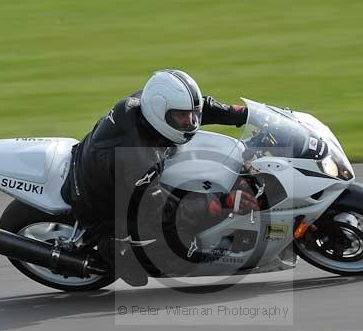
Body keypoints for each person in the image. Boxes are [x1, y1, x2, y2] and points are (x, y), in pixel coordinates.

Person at [62, 69, 259, 286]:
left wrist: (245, 116)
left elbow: (202, 106)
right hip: (97, 201)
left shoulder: (145, 104)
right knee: (184, 256)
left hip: (101, 162)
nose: (190, 121)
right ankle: (114, 248)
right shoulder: (140, 160)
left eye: (191, 114)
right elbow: (163, 212)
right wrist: (221, 202)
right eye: (182, 116)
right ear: (159, 112)